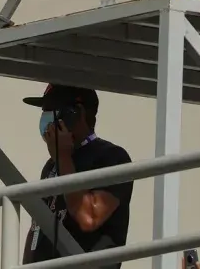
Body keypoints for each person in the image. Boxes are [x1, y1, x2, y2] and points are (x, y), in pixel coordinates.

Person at [21, 84, 134, 267]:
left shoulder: (112, 157)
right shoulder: (51, 165)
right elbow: (37, 228)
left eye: (52, 109)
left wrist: (63, 157)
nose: (45, 117)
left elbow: (88, 217)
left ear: (76, 113)